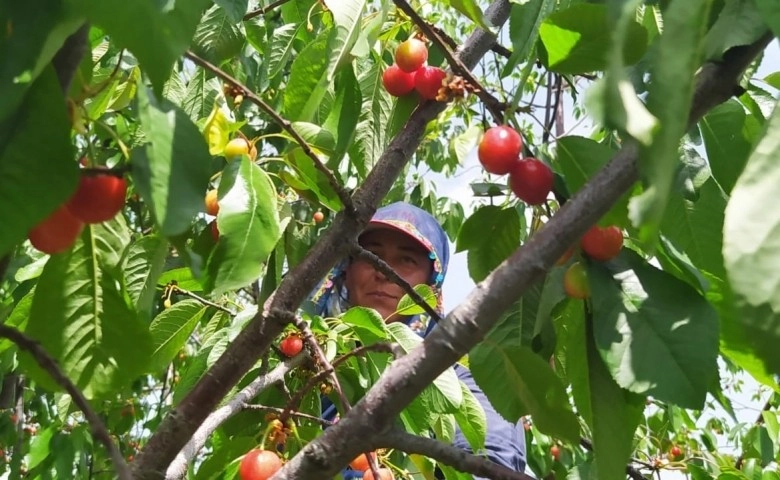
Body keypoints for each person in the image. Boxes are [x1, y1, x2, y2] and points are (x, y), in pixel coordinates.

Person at [306, 201, 527, 479]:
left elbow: (491, 465)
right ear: (346, 269)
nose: (382, 271)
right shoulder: (309, 360)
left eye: (406, 260)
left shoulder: (465, 372)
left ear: (431, 281)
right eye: (371, 254)